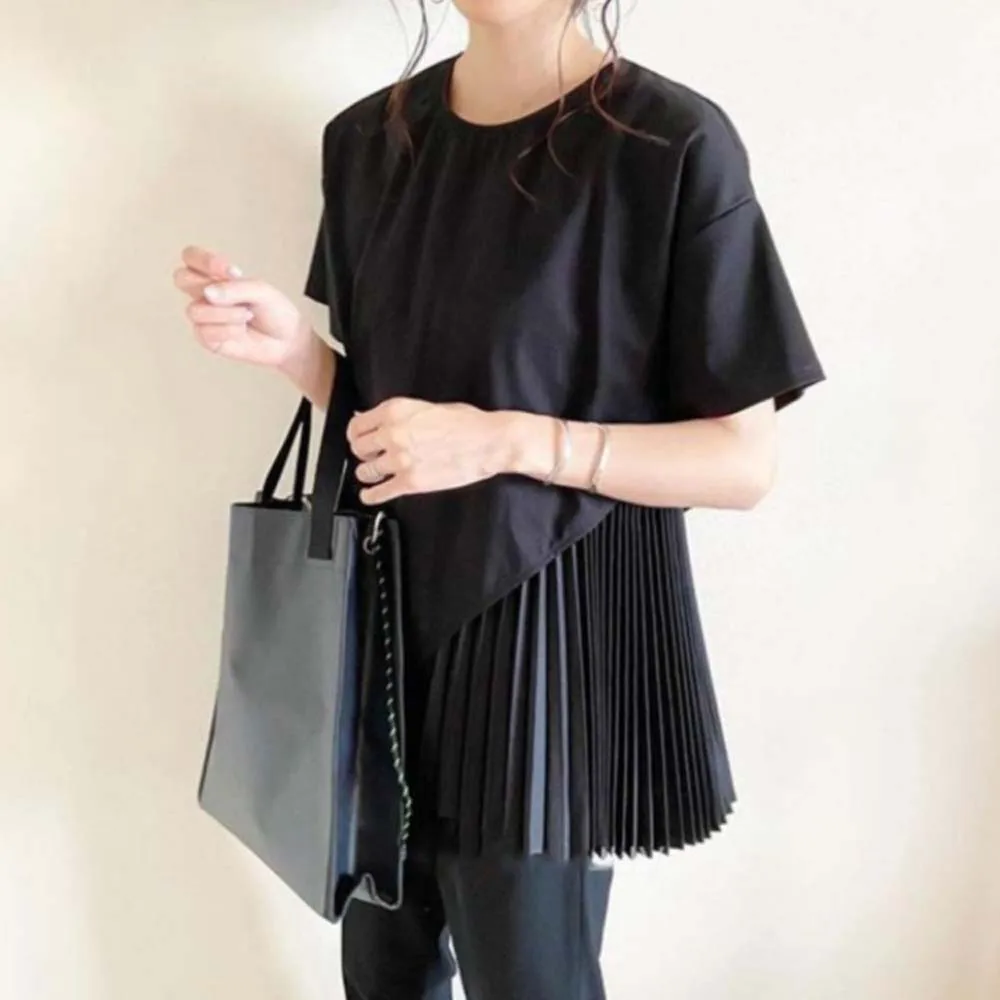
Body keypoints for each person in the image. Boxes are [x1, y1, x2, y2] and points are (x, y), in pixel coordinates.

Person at [173, 1, 827, 997]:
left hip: (546, 646)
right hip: (380, 625)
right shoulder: (368, 142)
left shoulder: (668, 144)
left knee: (531, 977)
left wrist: (510, 440)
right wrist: (301, 354)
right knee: (381, 977)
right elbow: (395, 416)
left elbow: (741, 461)